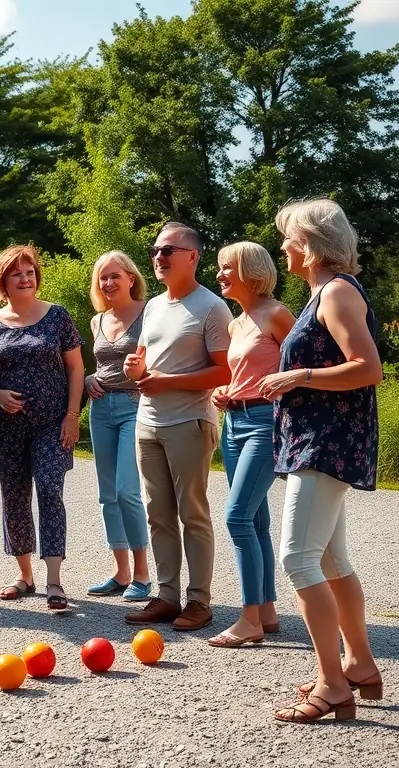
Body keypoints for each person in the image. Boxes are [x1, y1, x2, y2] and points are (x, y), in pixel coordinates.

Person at [258, 198, 382, 723]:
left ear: (307, 245)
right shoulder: (321, 294)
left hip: (326, 443)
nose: (282, 246)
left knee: (297, 559)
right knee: (330, 561)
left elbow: (367, 367)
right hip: (318, 439)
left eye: (288, 237)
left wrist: (298, 376)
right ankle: (359, 664)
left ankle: (332, 685)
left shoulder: (334, 293)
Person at [123, 222, 232, 631]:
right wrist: (136, 368)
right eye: (155, 251)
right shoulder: (152, 306)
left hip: (190, 421)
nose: (159, 257)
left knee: (193, 513)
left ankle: (199, 602)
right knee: (158, 514)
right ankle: (167, 596)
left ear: (193, 256)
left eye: (168, 250)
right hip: (147, 422)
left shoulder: (212, 307)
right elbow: (141, 360)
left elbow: (223, 371)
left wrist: (166, 381)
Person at [0, 245, 84, 610]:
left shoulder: (58, 317)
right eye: (17, 273)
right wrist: (0, 395)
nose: (25, 277)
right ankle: (24, 576)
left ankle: (54, 580)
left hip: (53, 422)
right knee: (14, 496)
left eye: (30, 271)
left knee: (51, 489)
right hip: (5, 426)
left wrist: (71, 415)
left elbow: (76, 369)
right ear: (3, 281)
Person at [207, 242, 294, 648]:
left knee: (237, 519)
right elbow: (235, 375)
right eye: (220, 267)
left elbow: (300, 375)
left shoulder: (276, 314)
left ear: (251, 270)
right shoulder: (236, 323)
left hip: (265, 422)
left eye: (228, 267)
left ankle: (248, 620)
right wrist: (222, 392)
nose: (220, 273)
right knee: (255, 521)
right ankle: (267, 611)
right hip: (232, 422)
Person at [83, 250, 151, 603]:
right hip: (100, 409)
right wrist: (89, 379)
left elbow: (159, 359)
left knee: (127, 491)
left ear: (130, 278)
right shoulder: (98, 321)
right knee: (107, 495)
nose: (108, 283)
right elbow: (101, 365)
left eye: (114, 276)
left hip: (133, 407)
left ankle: (142, 574)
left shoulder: (149, 313)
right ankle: (122, 573)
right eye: (102, 278)